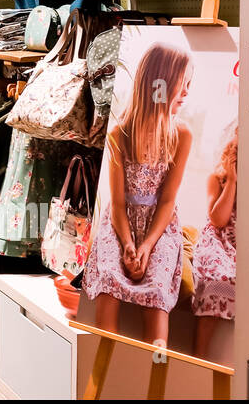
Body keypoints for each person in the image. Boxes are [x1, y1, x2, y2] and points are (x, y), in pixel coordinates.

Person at [83, 43, 194, 348]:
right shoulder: (120, 133)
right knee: (108, 282)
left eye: (189, 86)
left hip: (160, 227)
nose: (185, 93)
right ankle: (103, 369)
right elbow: (117, 203)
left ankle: (152, 373)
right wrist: (129, 243)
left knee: (157, 291)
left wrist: (146, 246)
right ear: (159, 83)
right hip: (120, 222)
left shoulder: (182, 134)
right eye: (181, 85)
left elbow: (168, 200)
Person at [192, 124, 237, 359]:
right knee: (218, 278)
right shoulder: (216, 179)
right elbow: (218, 219)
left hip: (243, 244)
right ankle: (199, 354)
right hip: (219, 241)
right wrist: (232, 182)